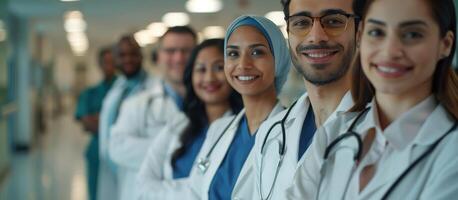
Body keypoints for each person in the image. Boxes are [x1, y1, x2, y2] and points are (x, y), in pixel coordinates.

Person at [287, 0, 458, 199]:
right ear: (360, 37)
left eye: (412, 35)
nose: (390, 51)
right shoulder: (334, 134)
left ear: (445, 44)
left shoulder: (451, 151)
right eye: (376, 32)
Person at [245, 0, 364, 199]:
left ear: (359, 30)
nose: (316, 36)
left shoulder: (382, 131)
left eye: (334, 21)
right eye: (301, 23)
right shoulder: (271, 131)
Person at [186, 15, 290, 200]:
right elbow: (194, 191)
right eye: (233, 54)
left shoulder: (292, 134)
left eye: (257, 52)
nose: (243, 65)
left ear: (279, 58)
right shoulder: (219, 129)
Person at [136, 38, 243, 199]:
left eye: (219, 68)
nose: (209, 78)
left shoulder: (244, 130)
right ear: (191, 76)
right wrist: (193, 190)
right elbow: (143, 185)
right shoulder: (179, 123)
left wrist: (165, 189)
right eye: (201, 69)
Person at [108, 26, 197, 200]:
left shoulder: (213, 106)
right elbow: (118, 147)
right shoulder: (137, 104)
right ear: (159, 57)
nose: (179, 58)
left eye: (186, 51)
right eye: (171, 51)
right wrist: (182, 150)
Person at [97, 35, 155, 200]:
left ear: (141, 56)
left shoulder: (154, 89)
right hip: (111, 167)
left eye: (133, 54)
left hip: (137, 170)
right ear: (115, 59)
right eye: (122, 55)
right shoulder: (117, 89)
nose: (128, 59)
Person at [75, 47, 117, 200]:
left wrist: (99, 118)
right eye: (106, 62)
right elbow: (87, 124)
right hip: (96, 151)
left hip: (122, 150)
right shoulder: (90, 93)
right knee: (96, 193)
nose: (110, 66)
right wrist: (113, 120)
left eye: (113, 62)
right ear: (99, 65)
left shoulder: (125, 90)